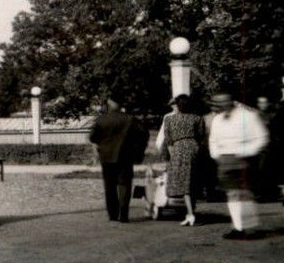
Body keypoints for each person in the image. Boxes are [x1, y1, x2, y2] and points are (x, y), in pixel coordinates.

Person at [207, 92, 269, 239]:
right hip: (224, 161)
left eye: (223, 102)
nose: (220, 105)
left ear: (231, 101)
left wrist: (243, 152)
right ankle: (238, 227)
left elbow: (262, 138)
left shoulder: (248, 116)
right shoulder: (217, 119)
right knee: (232, 195)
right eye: (217, 103)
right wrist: (216, 155)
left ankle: (247, 228)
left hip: (244, 160)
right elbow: (213, 140)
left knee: (243, 194)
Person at [89, 97, 147, 222]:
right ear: (121, 105)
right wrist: (139, 151)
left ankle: (113, 214)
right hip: (126, 156)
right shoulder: (130, 119)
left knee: (109, 186)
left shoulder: (101, 119)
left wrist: (100, 147)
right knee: (124, 184)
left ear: (109, 103)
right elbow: (143, 134)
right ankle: (124, 214)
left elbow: (93, 137)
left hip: (106, 156)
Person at [154, 94, 205, 226]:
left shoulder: (170, 120)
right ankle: (190, 212)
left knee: (184, 183)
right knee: (192, 180)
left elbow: (168, 140)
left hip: (178, 149)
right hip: (194, 148)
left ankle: (190, 214)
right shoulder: (197, 118)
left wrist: (169, 156)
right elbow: (201, 136)